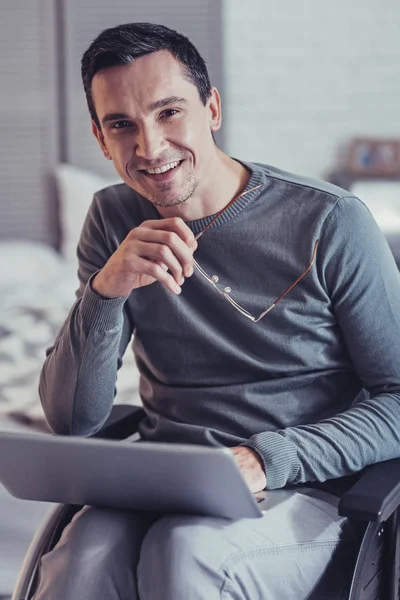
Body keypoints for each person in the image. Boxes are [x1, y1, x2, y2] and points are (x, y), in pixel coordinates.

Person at [33, 22, 400, 600]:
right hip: (166, 482)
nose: (150, 148)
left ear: (212, 108)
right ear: (101, 139)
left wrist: (264, 457)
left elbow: (398, 398)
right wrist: (107, 290)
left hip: (305, 487)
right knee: (80, 560)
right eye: (121, 125)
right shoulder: (110, 219)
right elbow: (73, 420)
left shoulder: (331, 222)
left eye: (169, 112)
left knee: (185, 553)